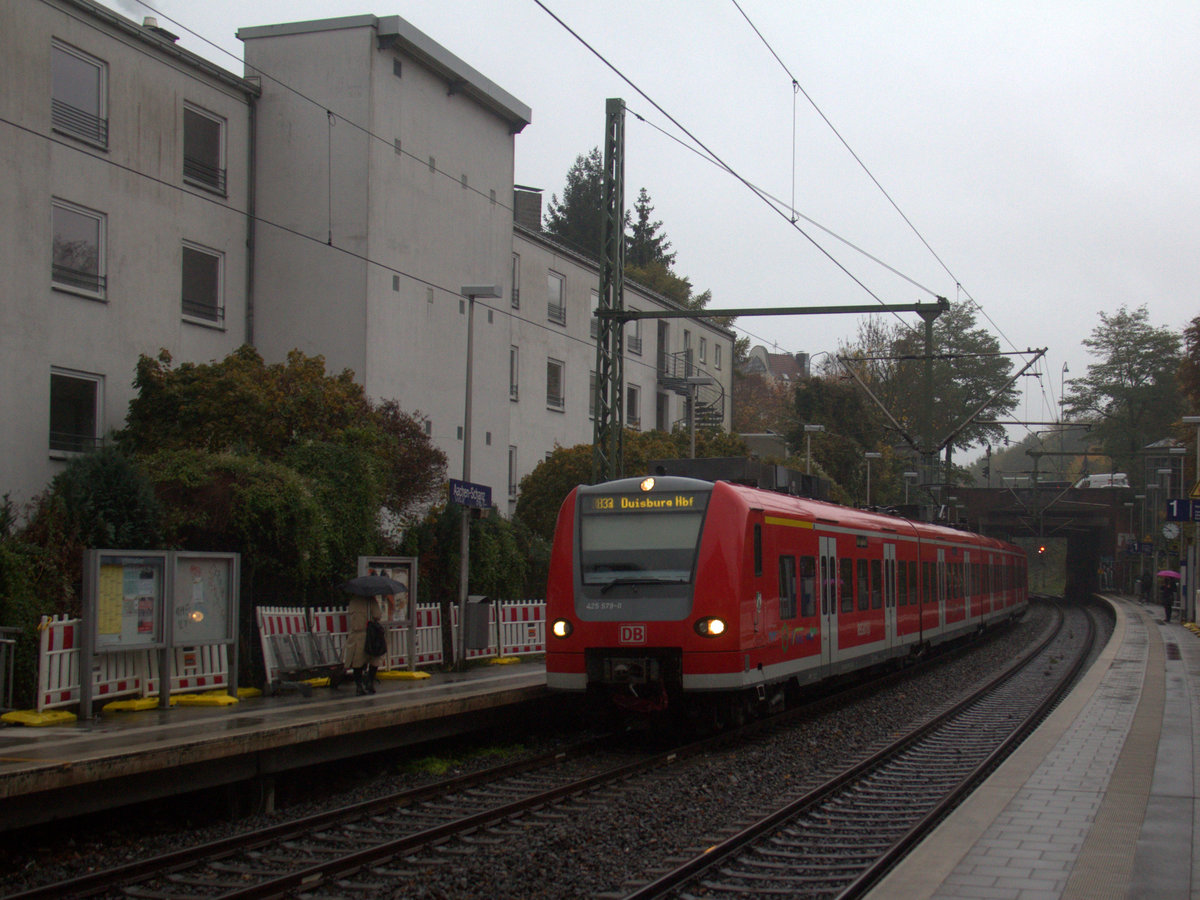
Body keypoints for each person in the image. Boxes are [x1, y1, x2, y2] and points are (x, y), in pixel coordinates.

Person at [345, 591, 392, 695]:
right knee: (374, 659)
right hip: (369, 635)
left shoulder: (353, 602)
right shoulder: (371, 601)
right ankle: (370, 682)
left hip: (355, 636)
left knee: (357, 662)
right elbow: (377, 615)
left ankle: (358, 686)